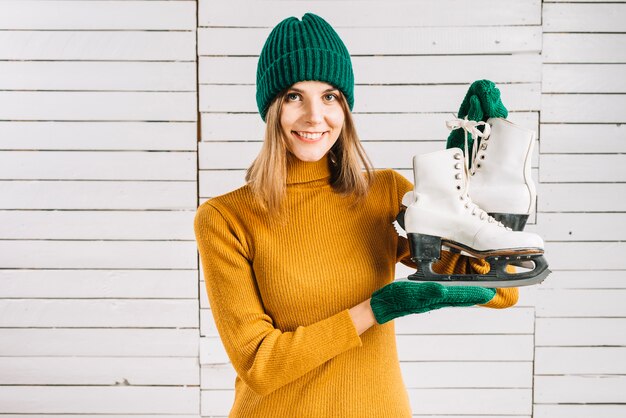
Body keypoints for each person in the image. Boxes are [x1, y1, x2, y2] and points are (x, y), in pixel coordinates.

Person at [194, 13, 518, 417]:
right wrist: (375, 309)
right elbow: (261, 364)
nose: (315, 116)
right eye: (294, 96)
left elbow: (503, 291)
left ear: (346, 107)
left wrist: (471, 190)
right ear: (271, 107)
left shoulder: (384, 194)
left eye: (330, 96)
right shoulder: (226, 218)